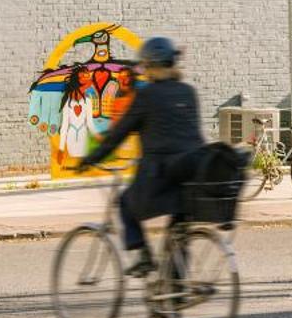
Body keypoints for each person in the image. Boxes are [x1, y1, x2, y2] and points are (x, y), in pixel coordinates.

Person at [74, 36, 204, 276]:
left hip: (161, 175)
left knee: (124, 203)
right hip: (193, 173)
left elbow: (119, 133)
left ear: (150, 66)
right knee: (179, 228)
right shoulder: (188, 92)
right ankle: (174, 295)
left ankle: (141, 255)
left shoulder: (148, 95)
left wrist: (91, 158)